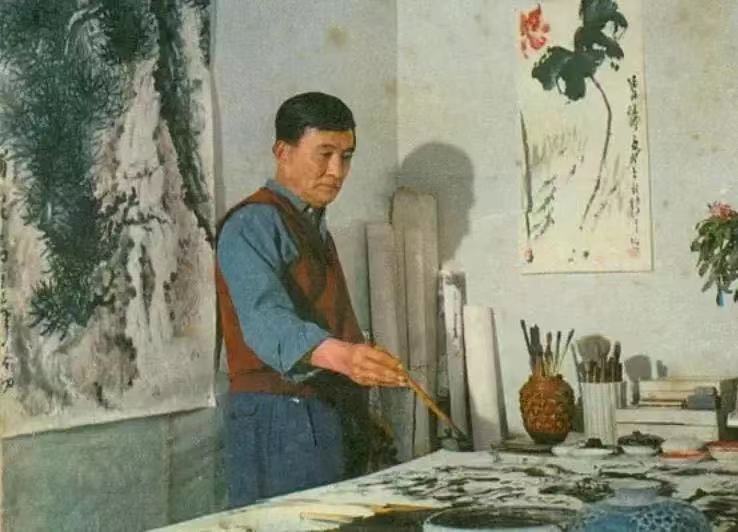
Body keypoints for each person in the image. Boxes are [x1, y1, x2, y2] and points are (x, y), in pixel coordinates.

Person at [215, 92, 407, 508]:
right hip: (278, 417)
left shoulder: (312, 225)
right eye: (325, 154)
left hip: (323, 413)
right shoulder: (252, 223)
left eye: (346, 157)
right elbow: (267, 321)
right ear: (282, 152)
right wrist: (347, 358)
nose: (337, 171)